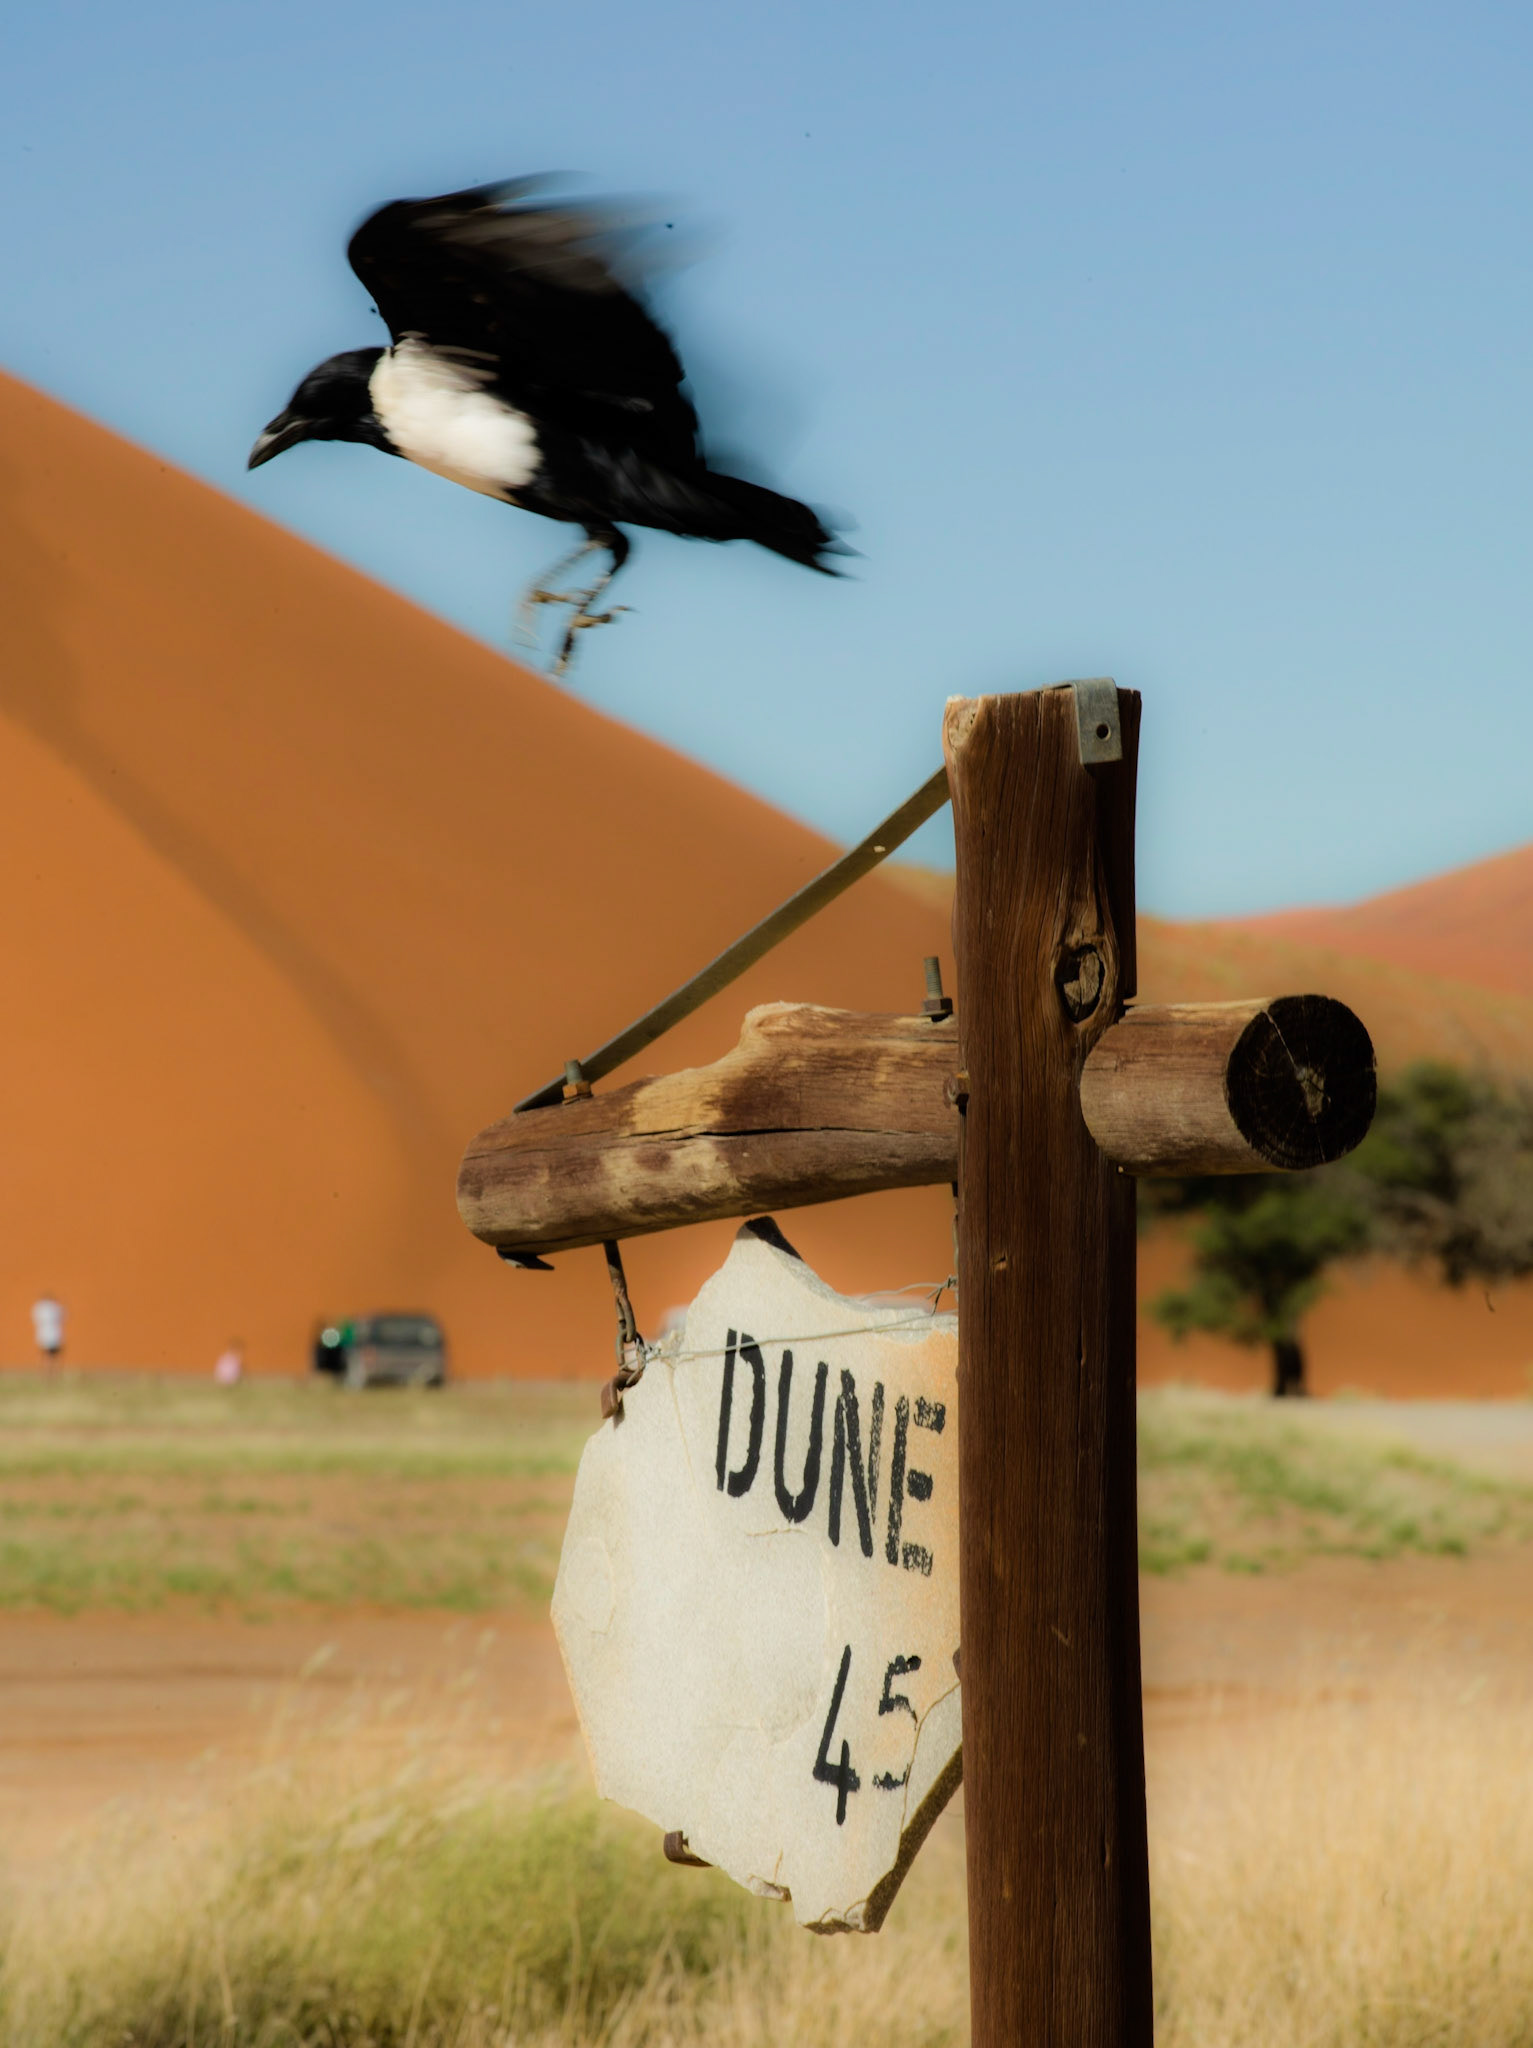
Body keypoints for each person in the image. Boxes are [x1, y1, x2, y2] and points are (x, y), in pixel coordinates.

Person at [31, 1294, 64, 1371]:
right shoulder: (55, 1307)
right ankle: (54, 1372)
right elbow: (63, 1316)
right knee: (53, 1355)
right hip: (53, 1334)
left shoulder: (40, 1308)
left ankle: (45, 1371)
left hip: (45, 1334)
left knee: (45, 1355)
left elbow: (35, 1318)